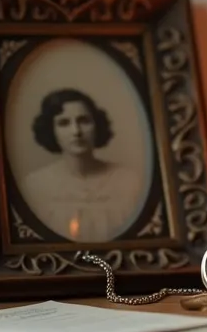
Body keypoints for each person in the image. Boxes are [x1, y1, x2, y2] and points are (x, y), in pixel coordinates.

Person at [22, 88, 143, 243]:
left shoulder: (129, 181)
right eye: (64, 123)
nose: (76, 131)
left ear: (97, 124)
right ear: (51, 130)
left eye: (84, 121)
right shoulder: (35, 185)